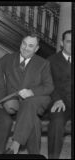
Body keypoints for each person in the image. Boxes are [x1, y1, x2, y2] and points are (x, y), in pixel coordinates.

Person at [0, 33, 54, 154]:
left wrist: (32, 92)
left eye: (30, 46)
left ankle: (15, 145)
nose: (25, 48)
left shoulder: (43, 63)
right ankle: (34, 154)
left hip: (38, 100)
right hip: (15, 103)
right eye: (24, 44)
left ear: (36, 49)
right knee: (33, 119)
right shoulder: (8, 58)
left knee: (29, 102)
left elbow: (49, 87)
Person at [47, 30, 71, 159]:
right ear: (62, 43)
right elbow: (48, 84)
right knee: (57, 121)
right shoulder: (51, 60)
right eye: (69, 41)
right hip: (60, 102)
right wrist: (57, 99)